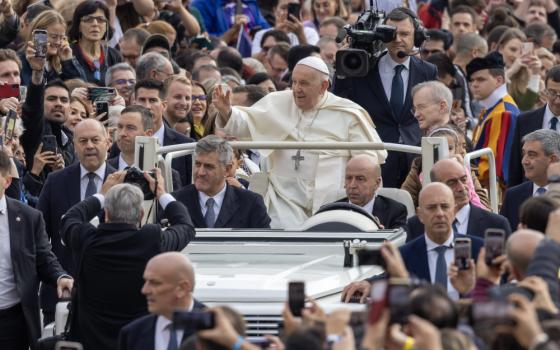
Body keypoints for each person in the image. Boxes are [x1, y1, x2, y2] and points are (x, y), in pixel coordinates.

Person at [212, 56, 386, 228]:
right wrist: (227, 111)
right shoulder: (278, 102)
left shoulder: (348, 114)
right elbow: (245, 124)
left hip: (333, 198)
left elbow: (368, 160)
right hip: (284, 198)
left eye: (304, 83)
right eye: (294, 82)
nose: (296, 89)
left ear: (324, 86)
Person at [60, 169, 196, 349]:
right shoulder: (151, 240)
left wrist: (102, 194)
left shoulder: (87, 239)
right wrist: (161, 193)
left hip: (91, 343)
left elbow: (70, 218)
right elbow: (185, 226)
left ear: (106, 213)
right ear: (140, 215)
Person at [332, 7, 438, 188]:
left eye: (405, 34)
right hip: (374, 159)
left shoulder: (428, 71)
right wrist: (342, 68)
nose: (398, 40)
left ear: (417, 36)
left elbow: (433, 116)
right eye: (391, 34)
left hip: (414, 161)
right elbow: (339, 102)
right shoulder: (363, 69)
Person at [342, 183, 483, 301]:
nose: (439, 213)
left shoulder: (478, 250)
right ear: (420, 215)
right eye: (432, 207)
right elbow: (392, 276)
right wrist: (369, 283)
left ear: (454, 211)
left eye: (445, 207)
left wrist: (469, 290)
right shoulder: (405, 254)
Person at [37, 119, 117, 324]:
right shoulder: (56, 181)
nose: (89, 146)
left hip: (109, 295)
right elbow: (40, 234)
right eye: (83, 141)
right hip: (61, 292)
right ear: (74, 145)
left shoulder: (122, 181)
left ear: (108, 141)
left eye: (95, 140)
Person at [0, 150, 73, 349]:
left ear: (7, 182)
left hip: (11, 321)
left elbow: (43, 258)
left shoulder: (28, 217)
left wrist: (60, 277)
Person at [172, 135, 271, 229]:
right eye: (197, 164)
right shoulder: (175, 202)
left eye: (209, 167)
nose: (200, 173)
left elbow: (265, 244)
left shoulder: (251, 204)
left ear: (227, 170)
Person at [109, 79, 194, 186]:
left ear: (164, 105)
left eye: (153, 100)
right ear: (134, 103)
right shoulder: (121, 143)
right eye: (142, 100)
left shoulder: (185, 145)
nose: (147, 106)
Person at [406, 158, 512, 242]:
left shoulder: (496, 225)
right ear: (437, 186)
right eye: (452, 183)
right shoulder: (417, 226)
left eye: (464, 179)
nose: (462, 187)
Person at [118, 252, 205, 349]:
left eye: (155, 283)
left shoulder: (216, 329)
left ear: (182, 288)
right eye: (145, 281)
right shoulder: (132, 334)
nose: (144, 290)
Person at [468, 51, 520, 186]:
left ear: (499, 80)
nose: (474, 84)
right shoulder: (489, 108)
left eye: (480, 79)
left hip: (492, 193)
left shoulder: (504, 113)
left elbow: (492, 167)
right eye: (472, 80)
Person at [109, 105, 183, 190]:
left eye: (130, 128)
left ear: (148, 134)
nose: (122, 133)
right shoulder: (104, 169)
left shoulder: (166, 175)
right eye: (120, 127)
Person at [509, 66, 560, 187]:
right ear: (545, 90)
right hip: (530, 196)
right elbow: (515, 167)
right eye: (552, 93)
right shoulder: (525, 121)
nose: (557, 100)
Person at [501, 129, 560, 230]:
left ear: (552, 159)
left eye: (531, 155)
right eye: (524, 154)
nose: (524, 161)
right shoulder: (513, 195)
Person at [335, 154, 407, 229]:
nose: (352, 185)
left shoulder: (395, 211)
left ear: (377, 183)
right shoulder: (332, 211)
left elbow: (399, 240)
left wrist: (382, 234)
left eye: (360, 179)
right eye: (349, 178)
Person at [18, 10, 82, 86]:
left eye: (62, 38)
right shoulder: (20, 61)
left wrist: (68, 62)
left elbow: (77, 87)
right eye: (54, 37)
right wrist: (37, 70)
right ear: (38, 35)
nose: (58, 42)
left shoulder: (59, 65)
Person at [67, 0, 123, 85]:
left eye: (100, 20)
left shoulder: (114, 56)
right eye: (88, 19)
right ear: (78, 26)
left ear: (106, 26)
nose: (95, 24)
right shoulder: (67, 53)